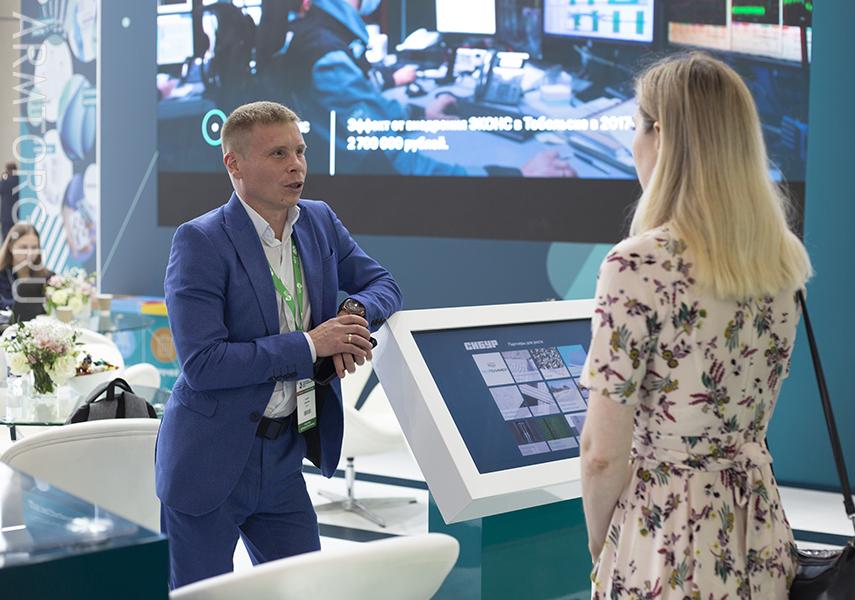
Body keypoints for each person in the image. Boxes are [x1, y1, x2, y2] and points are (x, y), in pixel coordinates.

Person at [578, 53, 812, 599]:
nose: (633, 143)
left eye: (636, 126)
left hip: (665, 538)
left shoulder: (637, 264)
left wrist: (602, 545)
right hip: (760, 530)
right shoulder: (783, 258)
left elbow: (602, 451)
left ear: (661, 137)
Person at [156, 100, 403, 589]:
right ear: (234, 164)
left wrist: (353, 316)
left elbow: (384, 284)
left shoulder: (319, 221)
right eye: (278, 154)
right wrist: (311, 344)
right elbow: (204, 364)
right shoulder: (200, 241)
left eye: (300, 151)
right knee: (202, 597)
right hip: (209, 459)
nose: (297, 166)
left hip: (285, 455)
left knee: (303, 589)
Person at [265, 0, 575, 178]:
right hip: (368, 189)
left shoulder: (319, 36)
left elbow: (370, 107)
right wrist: (516, 175)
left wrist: (420, 113)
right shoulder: (328, 56)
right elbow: (397, 162)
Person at [0, 222, 53, 321]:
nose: (29, 253)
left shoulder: (50, 279)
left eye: (34, 247)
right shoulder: (2, 276)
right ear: (11, 246)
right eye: (23, 247)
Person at [0, 161, 18, 239]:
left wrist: (2, 177)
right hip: (17, 214)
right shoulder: (19, 180)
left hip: (6, 216)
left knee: (6, 239)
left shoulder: (5, 181)